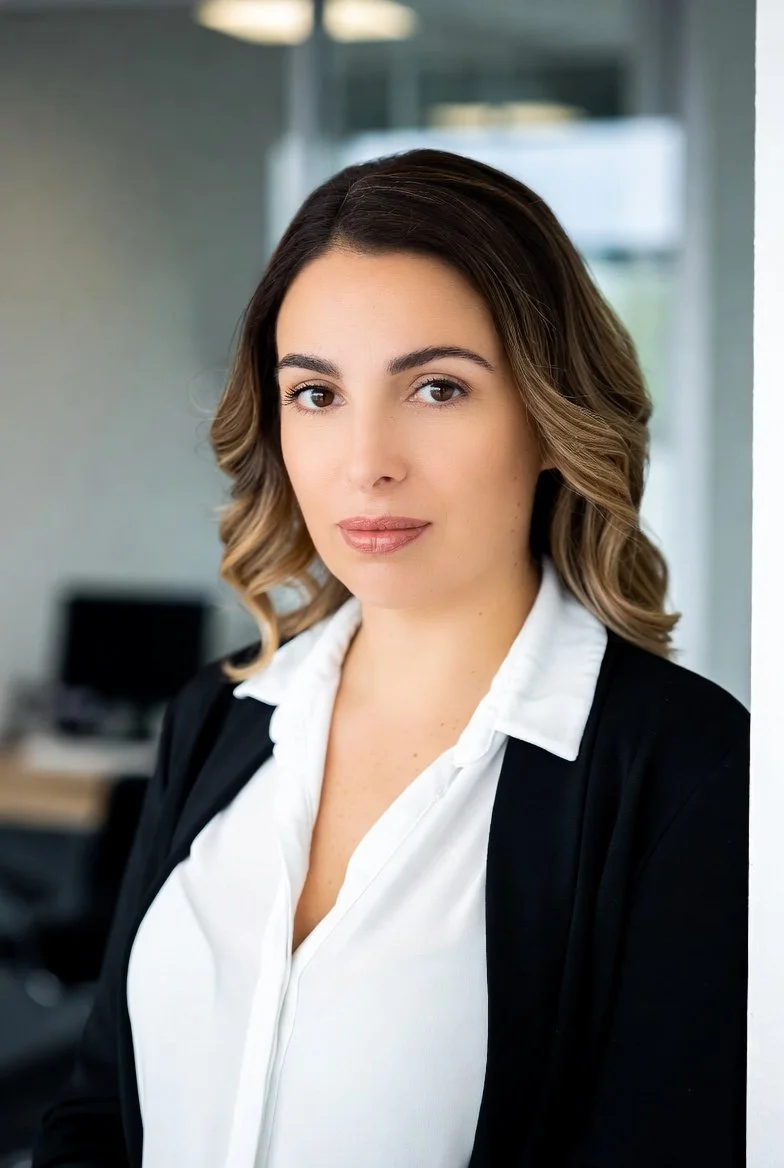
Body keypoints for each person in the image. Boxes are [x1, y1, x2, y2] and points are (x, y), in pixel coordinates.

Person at [32, 149, 749, 1168]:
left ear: (549, 415)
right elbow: (99, 1112)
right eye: (316, 394)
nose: (367, 460)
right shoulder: (224, 711)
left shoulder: (692, 772)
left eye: (438, 388)